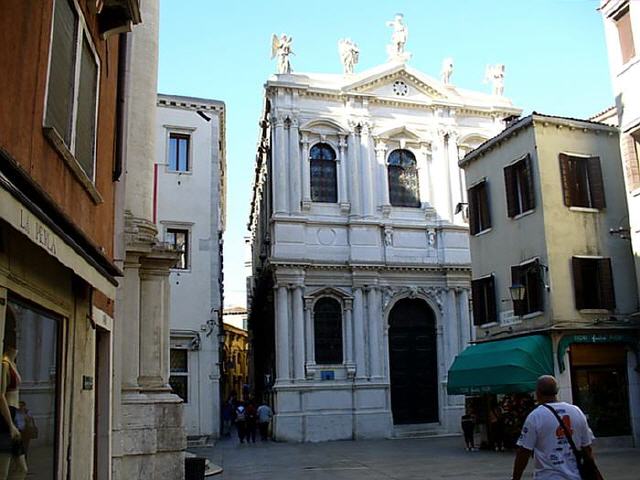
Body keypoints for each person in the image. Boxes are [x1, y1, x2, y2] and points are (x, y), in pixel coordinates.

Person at [511, 375, 598, 480]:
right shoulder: (576, 411)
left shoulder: (535, 417)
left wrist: (516, 477)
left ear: (538, 392)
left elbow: (524, 452)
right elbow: (587, 448)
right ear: (557, 391)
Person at [0, 307, 27, 479]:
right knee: (3, 469)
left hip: (14, 415)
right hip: (5, 417)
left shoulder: (12, 362)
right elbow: (0, 394)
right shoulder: (4, 363)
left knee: (22, 468)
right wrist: (10, 424)